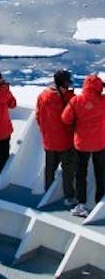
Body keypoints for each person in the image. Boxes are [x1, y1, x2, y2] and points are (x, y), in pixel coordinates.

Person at [62, 74, 105, 217]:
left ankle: (81, 205)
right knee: (101, 174)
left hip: (82, 144)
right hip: (100, 143)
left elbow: (65, 119)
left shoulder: (76, 101)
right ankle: (100, 203)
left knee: (81, 174)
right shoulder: (103, 101)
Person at [36, 69, 76, 204]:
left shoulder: (42, 96)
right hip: (65, 142)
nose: (68, 88)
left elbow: (38, 116)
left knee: (50, 169)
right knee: (68, 170)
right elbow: (74, 119)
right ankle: (69, 196)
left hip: (49, 141)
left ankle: (48, 194)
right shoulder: (69, 99)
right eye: (66, 85)